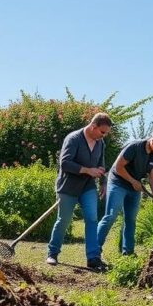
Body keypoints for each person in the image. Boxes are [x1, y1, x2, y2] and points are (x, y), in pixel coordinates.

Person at [46, 113, 111, 270]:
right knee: (64, 220)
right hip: (68, 187)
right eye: (102, 132)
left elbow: (101, 164)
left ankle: (93, 258)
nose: (104, 136)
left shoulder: (100, 143)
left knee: (92, 219)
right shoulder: (73, 139)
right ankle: (52, 253)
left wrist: (103, 182)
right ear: (93, 126)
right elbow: (65, 163)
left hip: (88, 187)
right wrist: (87, 170)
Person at [97, 129, 153, 259]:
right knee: (111, 215)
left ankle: (128, 253)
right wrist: (132, 181)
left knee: (130, 219)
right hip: (118, 182)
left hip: (134, 187)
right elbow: (118, 167)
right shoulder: (134, 147)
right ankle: (94, 250)